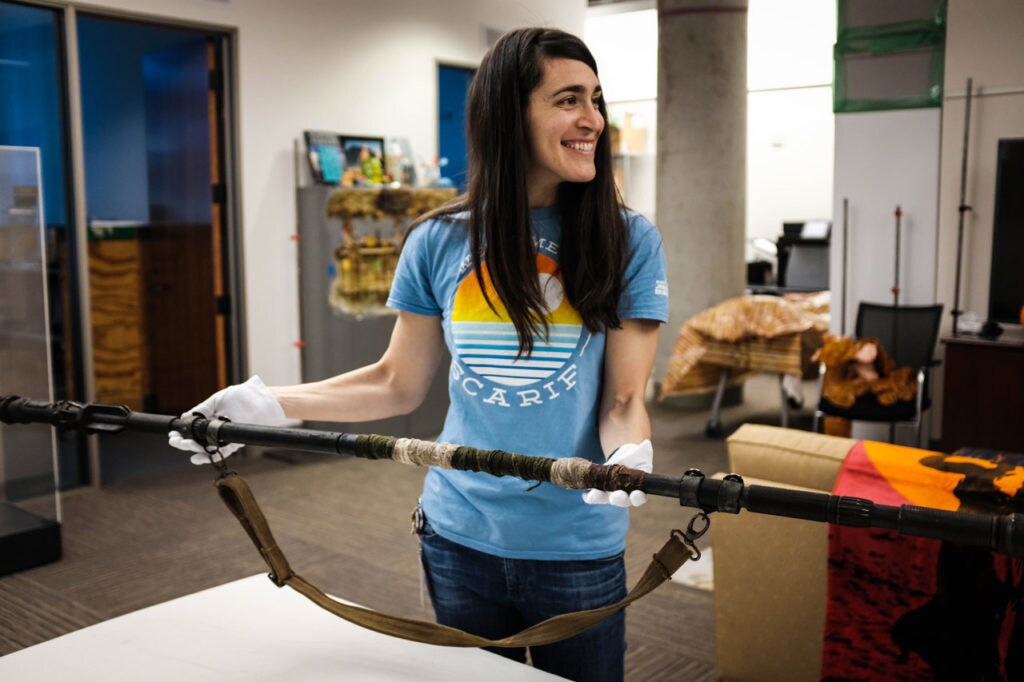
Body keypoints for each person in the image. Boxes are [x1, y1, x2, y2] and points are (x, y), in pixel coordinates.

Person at [169, 27, 668, 682]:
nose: (592, 121)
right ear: (509, 114)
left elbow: (624, 399)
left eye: (596, 100)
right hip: (457, 534)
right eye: (568, 99)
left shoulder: (627, 238)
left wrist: (627, 455)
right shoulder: (437, 239)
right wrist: (264, 405)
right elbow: (395, 383)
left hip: (574, 547)